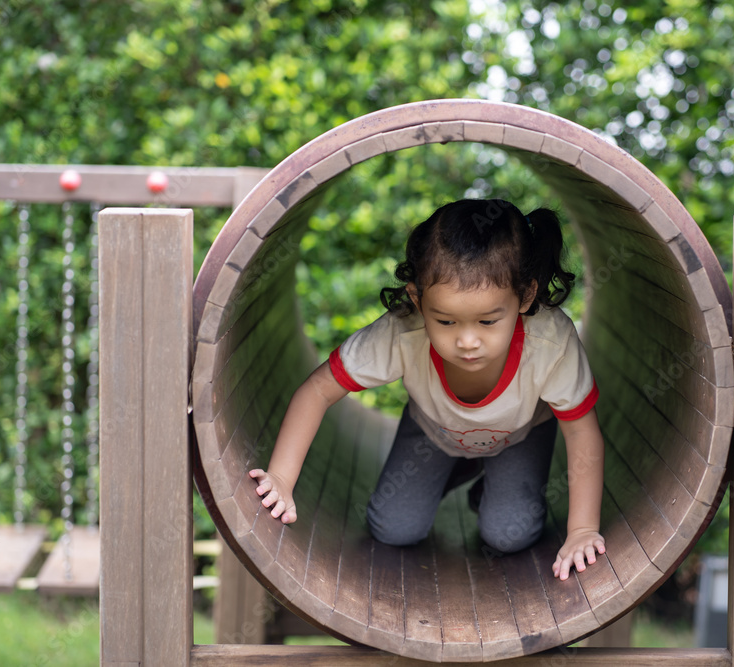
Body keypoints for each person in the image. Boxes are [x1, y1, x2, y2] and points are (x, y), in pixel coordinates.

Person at [249, 198, 606, 580]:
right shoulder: (404, 331)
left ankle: (487, 486)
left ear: (526, 297)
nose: (467, 341)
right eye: (447, 321)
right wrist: (282, 479)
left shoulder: (549, 342)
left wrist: (582, 530)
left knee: (507, 535)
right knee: (392, 527)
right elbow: (318, 390)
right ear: (418, 300)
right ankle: (459, 467)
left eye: (487, 321)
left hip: (519, 434)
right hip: (433, 431)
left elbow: (582, 432)